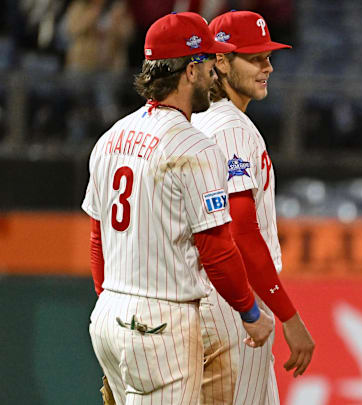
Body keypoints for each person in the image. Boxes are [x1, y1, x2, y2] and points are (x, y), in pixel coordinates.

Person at [81, 12, 274, 405]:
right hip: (159, 323)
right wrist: (251, 313)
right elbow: (217, 250)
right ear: (189, 70)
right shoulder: (193, 148)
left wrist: (111, 305)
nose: (212, 75)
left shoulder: (110, 138)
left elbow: (98, 239)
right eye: (206, 63)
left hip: (108, 316)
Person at [192, 10, 315, 405]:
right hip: (230, 300)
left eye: (268, 56)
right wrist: (289, 316)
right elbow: (242, 232)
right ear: (222, 62)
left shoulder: (200, 121)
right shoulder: (229, 128)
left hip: (211, 294)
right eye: (255, 57)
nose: (268, 67)